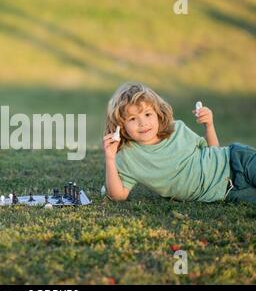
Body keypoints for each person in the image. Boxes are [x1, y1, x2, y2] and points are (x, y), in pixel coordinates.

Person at [103, 82, 256, 203]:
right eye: (132, 118)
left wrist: (209, 125)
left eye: (148, 114)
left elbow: (213, 150)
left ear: (158, 114)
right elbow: (118, 196)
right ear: (121, 126)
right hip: (225, 192)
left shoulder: (177, 129)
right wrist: (110, 158)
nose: (142, 123)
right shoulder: (128, 156)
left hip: (236, 159)